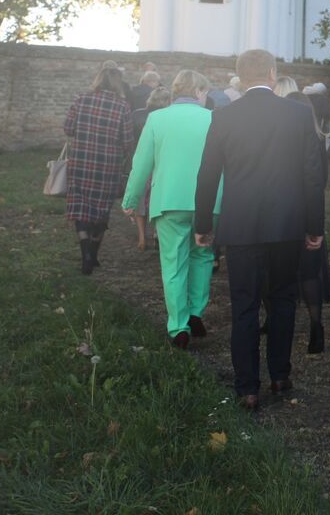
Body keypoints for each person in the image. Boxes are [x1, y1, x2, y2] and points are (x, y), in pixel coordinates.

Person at [194, 49, 326, 410]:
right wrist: (315, 225)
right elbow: (312, 176)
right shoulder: (298, 113)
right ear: (271, 74)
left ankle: (247, 387)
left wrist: (202, 223)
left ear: (240, 76)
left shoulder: (223, 116)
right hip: (287, 224)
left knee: (244, 305)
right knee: (283, 299)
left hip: (241, 224)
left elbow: (207, 175)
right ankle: (280, 375)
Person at [122, 70, 221, 348]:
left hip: (169, 199)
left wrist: (131, 201)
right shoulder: (213, 118)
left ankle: (178, 325)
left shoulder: (157, 118)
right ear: (199, 91)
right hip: (209, 201)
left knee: (173, 263)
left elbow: (141, 164)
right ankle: (195, 311)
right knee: (202, 256)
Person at [64, 64, 135, 274]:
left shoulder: (81, 99)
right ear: (117, 83)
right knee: (101, 209)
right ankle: (93, 253)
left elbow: (68, 128)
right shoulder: (122, 106)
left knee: (81, 207)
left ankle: (85, 250)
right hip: (107, 166)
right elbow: (128, 142)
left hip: (81, 162)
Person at [285, 90, 330, 353]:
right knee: (309, 273)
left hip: (285, 211)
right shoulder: (317, 138)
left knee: (278, 273)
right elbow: (320, 181)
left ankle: (279, 321)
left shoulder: (279, 142)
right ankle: (316, 324)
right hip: (308, 210)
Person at [131, 85, 173, 251]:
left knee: (141, 199)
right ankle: (156, 233)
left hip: (141, 158)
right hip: (161, 160)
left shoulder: (137, 115)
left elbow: (131, 138)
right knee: (158, 196)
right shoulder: (168, 117)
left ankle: (142, 237)